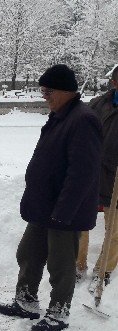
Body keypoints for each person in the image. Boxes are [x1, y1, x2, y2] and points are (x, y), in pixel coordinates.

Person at [0, 64, 101, 331]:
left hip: (64, 211)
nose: (44, 96)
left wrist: (64, 212)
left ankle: (59, 313)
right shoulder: (61, 115)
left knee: (60, 264)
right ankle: (26, 302)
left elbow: (83, 173)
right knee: (28, 253)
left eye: (48, 90)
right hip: (44, 206)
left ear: (65, 91)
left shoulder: (82, 120)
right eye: (43, 90)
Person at [76, 65, 118, 292]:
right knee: (80, 223)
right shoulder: (98, 104)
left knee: (115, 229)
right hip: (91, 173)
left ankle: (104, 270)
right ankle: (77, 265)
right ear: (114, 83)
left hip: (117, 179)